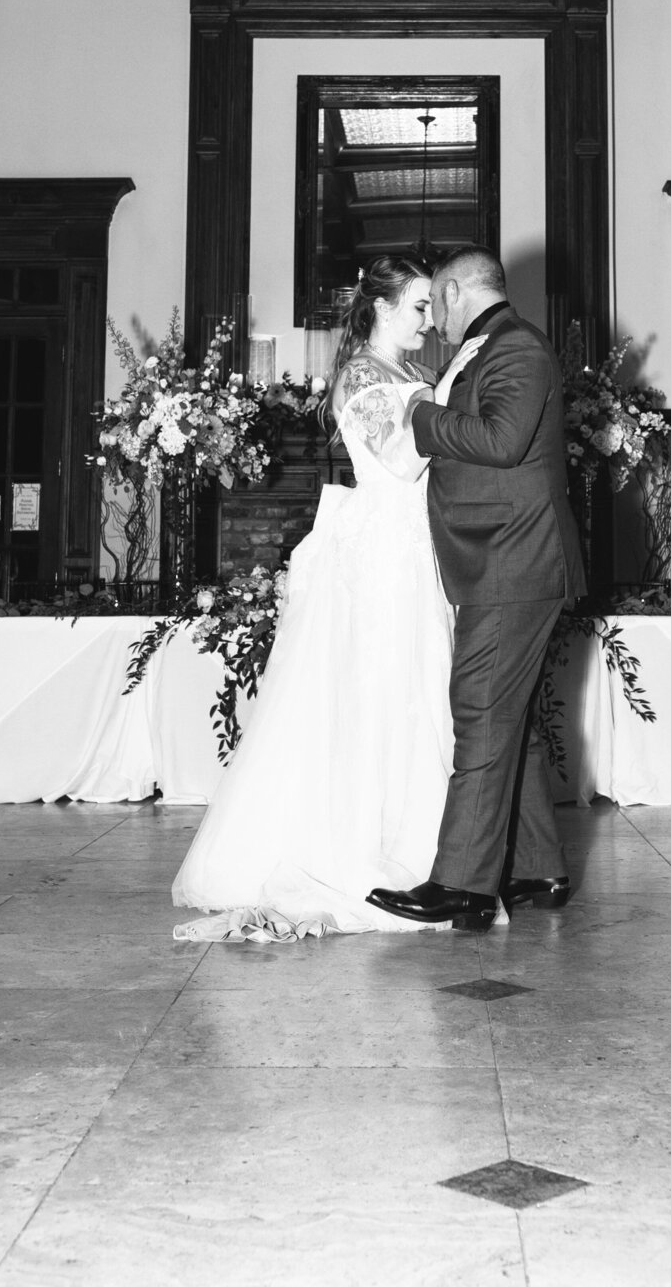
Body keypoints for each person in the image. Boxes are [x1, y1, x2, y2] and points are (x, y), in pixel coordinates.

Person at [171, 255, 483, 942]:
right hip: (381, 552)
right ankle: (371, 849)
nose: (430, 321)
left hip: (416, 545)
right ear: (380, 308)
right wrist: (457, 385)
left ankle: (436, 850)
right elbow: (401, 460)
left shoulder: (413, 374)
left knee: (422, 687)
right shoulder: (362, 375)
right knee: (380, 688)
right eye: (419, 306)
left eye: (433, 307)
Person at [367, 247, 585, 933]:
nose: (435, 321)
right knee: (505, 721)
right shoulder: (495, 348)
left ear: (458, 290)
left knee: (481, 713)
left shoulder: (515, 348)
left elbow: (500, 439)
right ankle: (536, 870)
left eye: (437, 302)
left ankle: (460, 882)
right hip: (504, 559)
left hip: (514, 564)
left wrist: (420, 419)